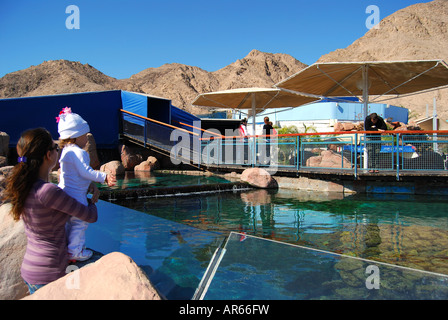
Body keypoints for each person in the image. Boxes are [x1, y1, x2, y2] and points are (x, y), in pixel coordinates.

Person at [3, 128, 99, 294]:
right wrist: (92, 199)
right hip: (52, 273)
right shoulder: (48, 192)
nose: (58, 151)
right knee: (76, 292)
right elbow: (90, 216)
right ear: (48, 155)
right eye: (56, 148)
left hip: (30, 270)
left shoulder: (25, 187)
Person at [56, 107, 116, 261]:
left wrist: (92, 186)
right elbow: (86, 172)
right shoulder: (79, 152)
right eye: (85, 136)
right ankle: (75, 251)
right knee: (80, 222)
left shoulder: (66, 151)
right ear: (75, 136)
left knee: (69, 222)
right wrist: (104, 177)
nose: (87, 139)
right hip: (77, 196)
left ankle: (68, 248)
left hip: (65, 194)